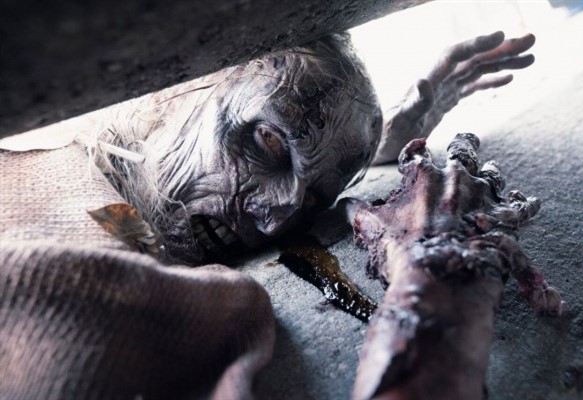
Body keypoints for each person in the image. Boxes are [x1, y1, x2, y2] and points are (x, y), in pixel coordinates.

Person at [0, 31, 535, 399]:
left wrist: (367, 146)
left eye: (314, 198)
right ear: (171, 94)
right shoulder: (66, 275)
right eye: (268, 141)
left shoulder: (106, 200)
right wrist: (435, 274)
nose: (277, 220)